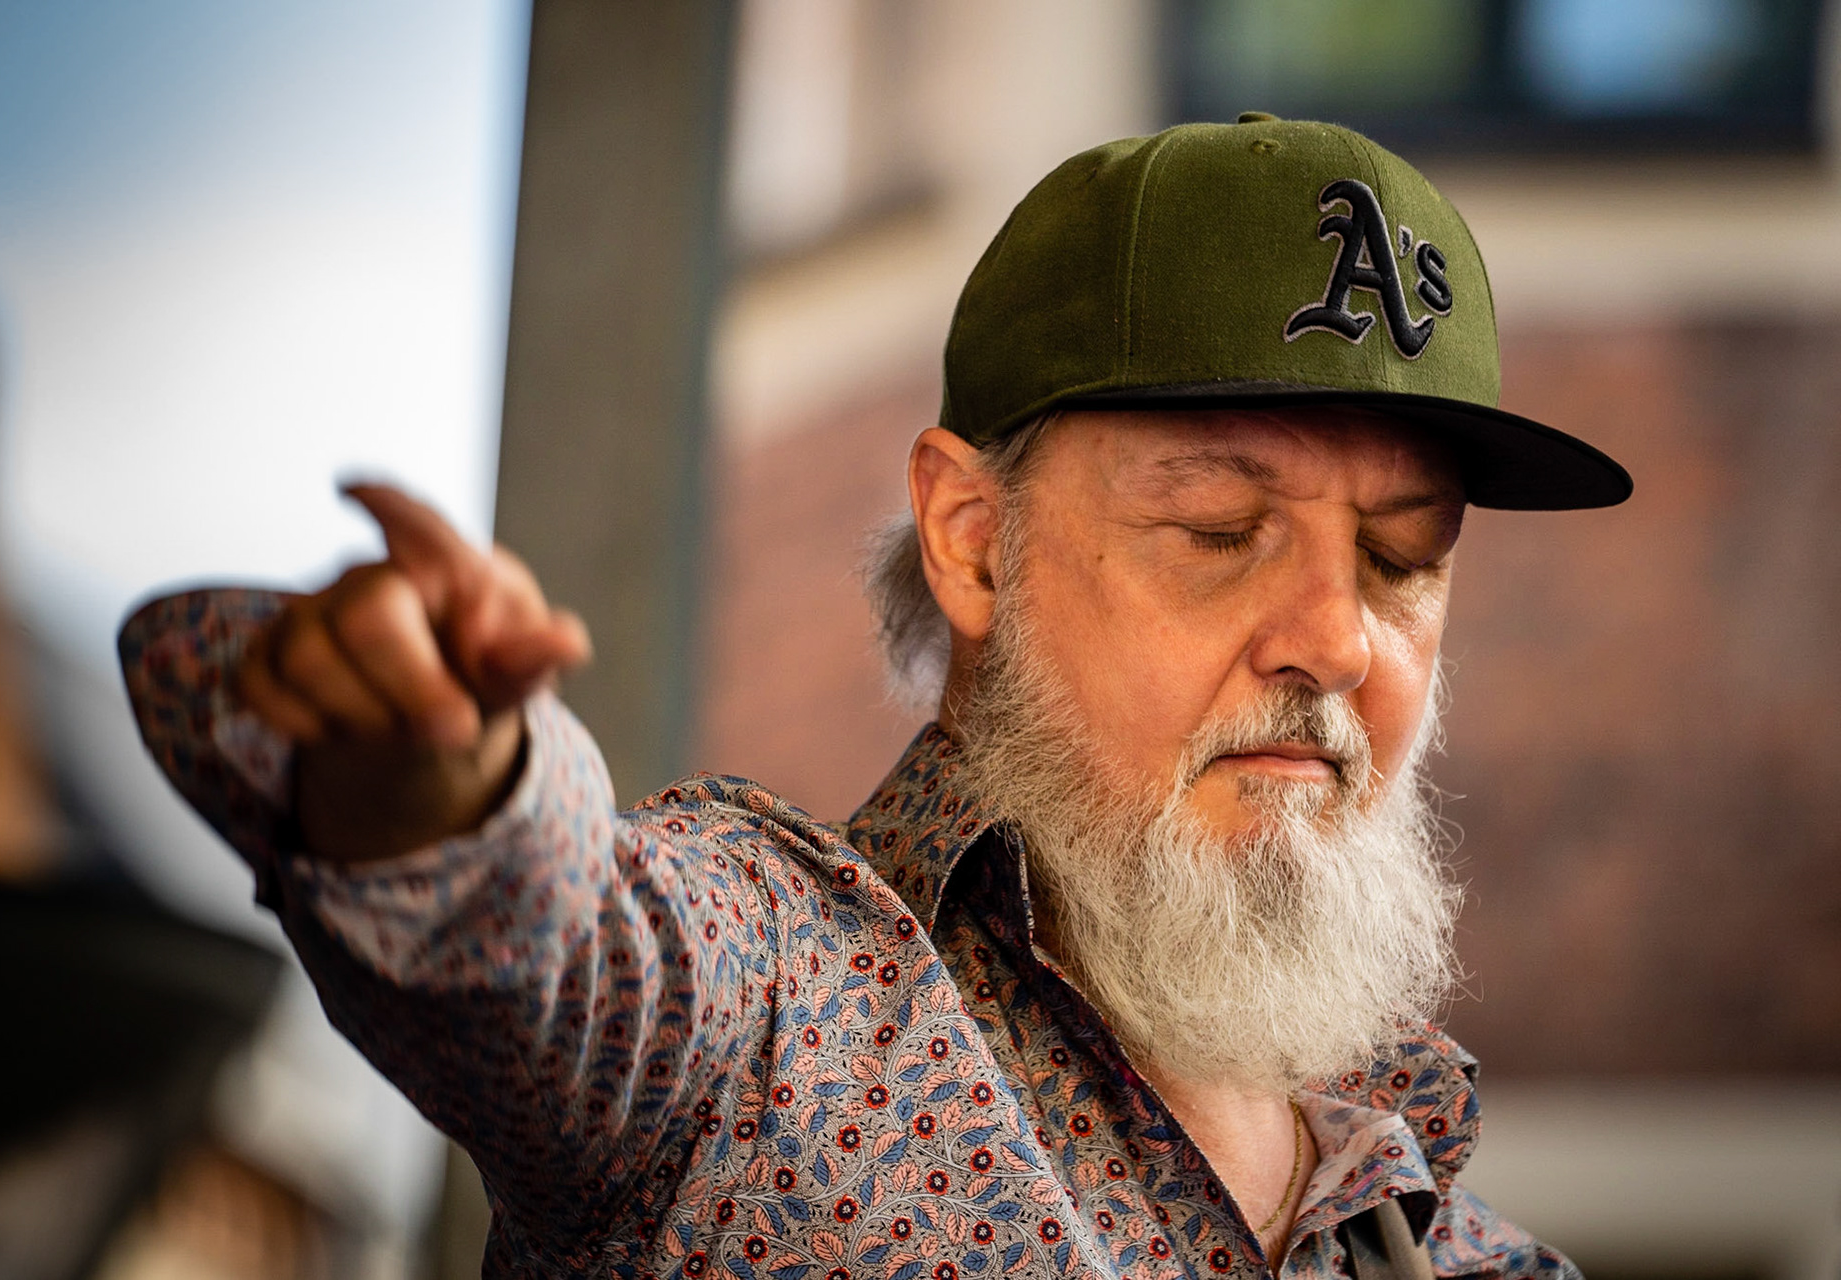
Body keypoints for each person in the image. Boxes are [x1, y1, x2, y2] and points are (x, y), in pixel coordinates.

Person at [120, 116, 1631, 1279]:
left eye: (1403, 558)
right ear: (977, 543)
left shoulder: (1475, 1252)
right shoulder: (764, 1023)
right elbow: (546, 941)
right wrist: (429, 770)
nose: (1338, 638)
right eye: (1222, 536)